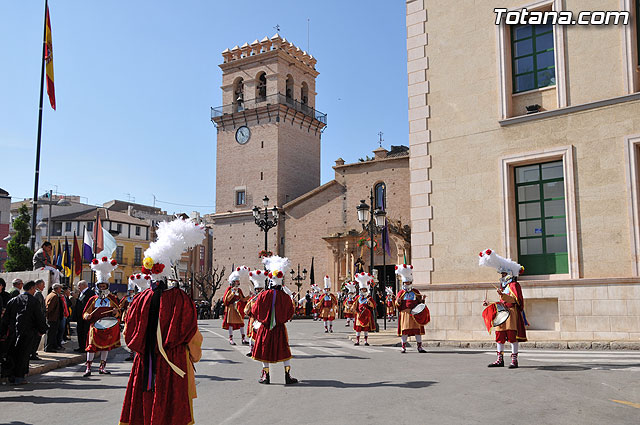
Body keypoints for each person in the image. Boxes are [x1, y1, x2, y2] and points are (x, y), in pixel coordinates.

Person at [119, 217, 204, 425]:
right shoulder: (181, 299)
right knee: (172, 408)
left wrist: (142, 348)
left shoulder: (140, 299)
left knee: (143, 403)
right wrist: (194, 356)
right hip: (173, 360)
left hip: (145, 361)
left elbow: (128, 333)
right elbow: (192, 334)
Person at [251, 256, 298, 385]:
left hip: (265, 328)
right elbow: (290, 312)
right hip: (280, 328)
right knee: (284, 351)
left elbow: (255, 310)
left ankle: (266, 376)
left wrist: (262, 318)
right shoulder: (285, 297)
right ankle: (287, 376)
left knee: (264, 350)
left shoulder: (263, 295)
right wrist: (282, 318)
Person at [479, 249, 527, 369]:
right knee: (499, 336)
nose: (502, 276)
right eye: (502, 274)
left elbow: (514, 300)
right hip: (502, 313)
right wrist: (489, 303)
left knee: (512, 336)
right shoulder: (504, 286)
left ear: (509, 274)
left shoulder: (514, 285)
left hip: (511, 314)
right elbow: (502, 301)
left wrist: (502, 295)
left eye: (504, 274)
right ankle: (499, 359)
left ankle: (514, 360)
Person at [0, 280, 48, 385]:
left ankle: (11, 375)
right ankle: (19, 377)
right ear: (31, 288)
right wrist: (42, 330)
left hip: (13, 333)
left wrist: (3, 332)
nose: (35, 291)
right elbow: (38, 317)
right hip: (28, 333)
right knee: (23, 355)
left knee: (12, 354)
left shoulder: (13, 301)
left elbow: (5, 319)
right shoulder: (33, 301)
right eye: (34, 289)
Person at [82, 257, 121, 377]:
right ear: (98, 286)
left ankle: (102, 367)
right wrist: (87, 316)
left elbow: (118, 313)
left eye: (104, 286)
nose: (102, 288)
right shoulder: (92, 299)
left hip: (107, 326)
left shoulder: (112, 299)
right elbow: (85, 313)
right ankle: (88, 368)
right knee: (91, 347)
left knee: (105, 348)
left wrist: (115, 312)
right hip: (95, 326)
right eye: (101, 286)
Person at [394, 264, 428, 354]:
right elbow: (396, 304)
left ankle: (419, 347)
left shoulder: (415, 292)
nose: (407, 284)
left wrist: (423, 300)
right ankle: (403, 347)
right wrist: (398, 301)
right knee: (404, 331)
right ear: (403, 283)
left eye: (408, 283)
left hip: (414, 314)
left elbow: (420, 303)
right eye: (405, 283)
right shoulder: (400, 293)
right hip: (405, 314)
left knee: (418, 331)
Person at [222, 267, 251, 345]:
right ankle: (231, 338)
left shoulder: (239, 290)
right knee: (231, 323)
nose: (238, 283)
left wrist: (249, 296)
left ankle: (243, 338)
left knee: (241, 323)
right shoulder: (229, 289)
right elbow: (226, 300)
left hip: (238, 308)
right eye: (236, 281)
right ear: (233, 282)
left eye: (238, 281)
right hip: (231, 308)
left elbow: (243, 299)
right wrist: (232, 293)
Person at [244, 269, 266, 357]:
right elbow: (246, 311)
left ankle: (262, 351)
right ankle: (252, 350)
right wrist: (250, 304)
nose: (258, 290)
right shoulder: (252, 299)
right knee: (252, 336)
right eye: (257, 289)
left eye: (260, 289)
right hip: (253, 319)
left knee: (262, 336)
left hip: (262, 319)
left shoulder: (266, 298)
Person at [353, 273, 375, 346]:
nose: (363, 290)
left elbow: (373, 306)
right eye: (362, 289)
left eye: (365, 289)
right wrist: (356, 311)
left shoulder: (369, 297)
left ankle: (366, 341)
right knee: (358, 328)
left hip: (366, 315)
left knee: (366, 328)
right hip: (359, 315)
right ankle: (357, 341)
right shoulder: (358, 298)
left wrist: (369, 303)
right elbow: (354, 306)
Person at [74, 280, 95, 352]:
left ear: (84, 285)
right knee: (79, 332)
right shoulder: (81, 293)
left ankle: (85, 347)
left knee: (85, 332)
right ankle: (81, 346)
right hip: (80, 317)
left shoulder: (90, 293)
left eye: (79, 286)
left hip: (86, 317)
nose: (78, 287)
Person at [44, 283, 63, 352]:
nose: (61, 290)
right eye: (60, 288)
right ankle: (49, 348)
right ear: (57, 289)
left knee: (52, 333)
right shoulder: (54, 296)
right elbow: (49, 308)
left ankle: (52, 346)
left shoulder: (52, 295)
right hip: (52, 318)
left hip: (53, 318)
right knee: (51, 333)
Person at [30, 279, 46, 360]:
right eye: (43, 285)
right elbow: (39, 309)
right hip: (37, 320)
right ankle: (32, 354)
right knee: (36, 338)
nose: (44, 287)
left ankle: (33, 352)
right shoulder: (38, 294)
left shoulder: (37, 293)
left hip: (37, 320)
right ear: (38, 285)